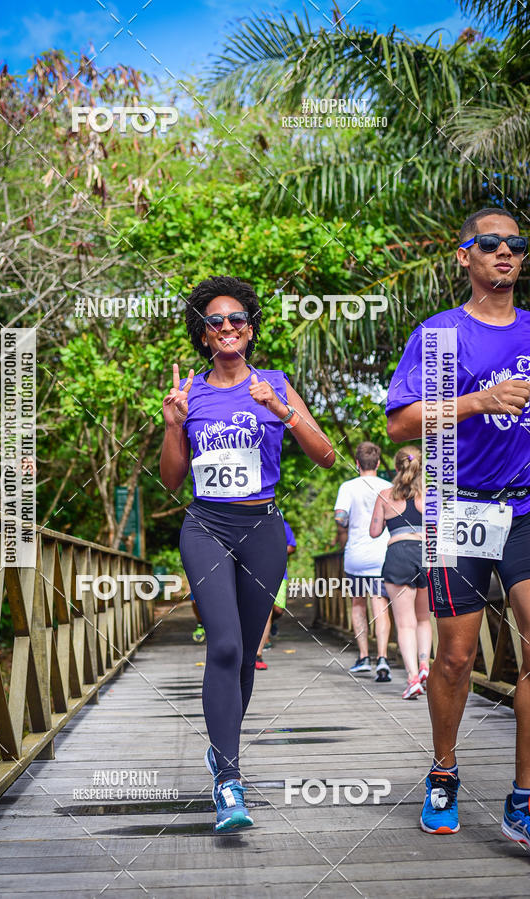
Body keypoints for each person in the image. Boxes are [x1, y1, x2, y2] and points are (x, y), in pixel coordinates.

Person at [159, 275, 335, 831]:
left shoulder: (276, 383)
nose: (227, 327)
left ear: (249, 330)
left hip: (262, 530)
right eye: (216, 321)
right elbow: (171, 479)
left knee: (247, 656)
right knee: (227, 645)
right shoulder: (191, 393)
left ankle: (222, 746)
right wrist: (172, 426)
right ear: (205, 335)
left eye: (237, 319)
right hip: (206, 526)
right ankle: (229, 779)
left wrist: (282, 411)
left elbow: (327, 456)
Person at [386, 207, 530, 841]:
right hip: (459, 509)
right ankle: (443, 775)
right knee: (456, 657)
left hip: (525, 505)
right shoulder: (441, 335)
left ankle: (523, 796)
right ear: (464, 257)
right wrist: (480, 401)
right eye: (490, 243)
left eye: (516, 244)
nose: (505, 252)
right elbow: (400, 425)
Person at [369, 446, 432, 699]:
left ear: (396, 467)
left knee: (405, 624)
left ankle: (413, 678)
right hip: (426, 554)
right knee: (424, 619)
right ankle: (426, 664)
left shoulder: (385, 495)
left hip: (398, 554)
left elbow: (374, 532)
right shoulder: (430, 495)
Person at [334, 442, 392, 682]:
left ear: (357, 463)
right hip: (382, 555)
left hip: (356, 556)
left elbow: (340, 517)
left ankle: (363, 657)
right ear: (378, 464)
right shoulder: (389, 486)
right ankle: (383, 659)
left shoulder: (348, 487)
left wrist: (346, 522)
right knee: (380, 605)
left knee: (358, 604)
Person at [255, 517, 297, 670]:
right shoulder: (250, 522)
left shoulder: (282, 524)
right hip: (254, 572)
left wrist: (277, 550)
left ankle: (258, 652)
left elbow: (292, 546)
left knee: (277, 609)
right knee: (263, 611)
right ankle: (256, 653)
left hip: (278, 573)